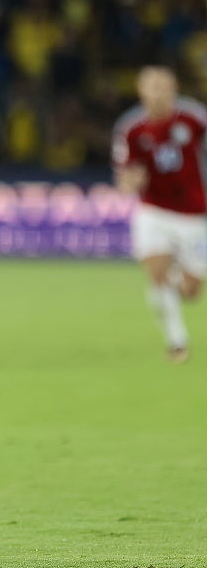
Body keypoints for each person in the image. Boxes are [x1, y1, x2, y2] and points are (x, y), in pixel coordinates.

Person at [112, 66, 207, 363]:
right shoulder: (131, 129)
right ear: (141, 91)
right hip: (153, 211)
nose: (158, 92)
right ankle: (176, 342)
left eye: (163, 86)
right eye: (151, 87)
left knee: (190, 290)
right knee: (156, 275)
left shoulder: (194, 118)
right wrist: (130, 182)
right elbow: (124, 175)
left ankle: (178, 277)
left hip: (193, 213)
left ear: (174, 89)